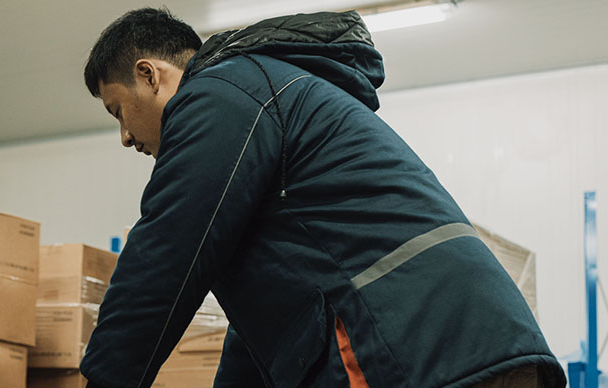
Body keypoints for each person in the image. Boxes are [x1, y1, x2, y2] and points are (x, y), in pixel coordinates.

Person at [78, 8, 565, 388]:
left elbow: (167, 252)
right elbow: (264, 330)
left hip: (419, 346)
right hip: (468, 348)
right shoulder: (262, 94)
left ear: (149, 74)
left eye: (119, 111)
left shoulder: (220, 93)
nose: (124, 136)